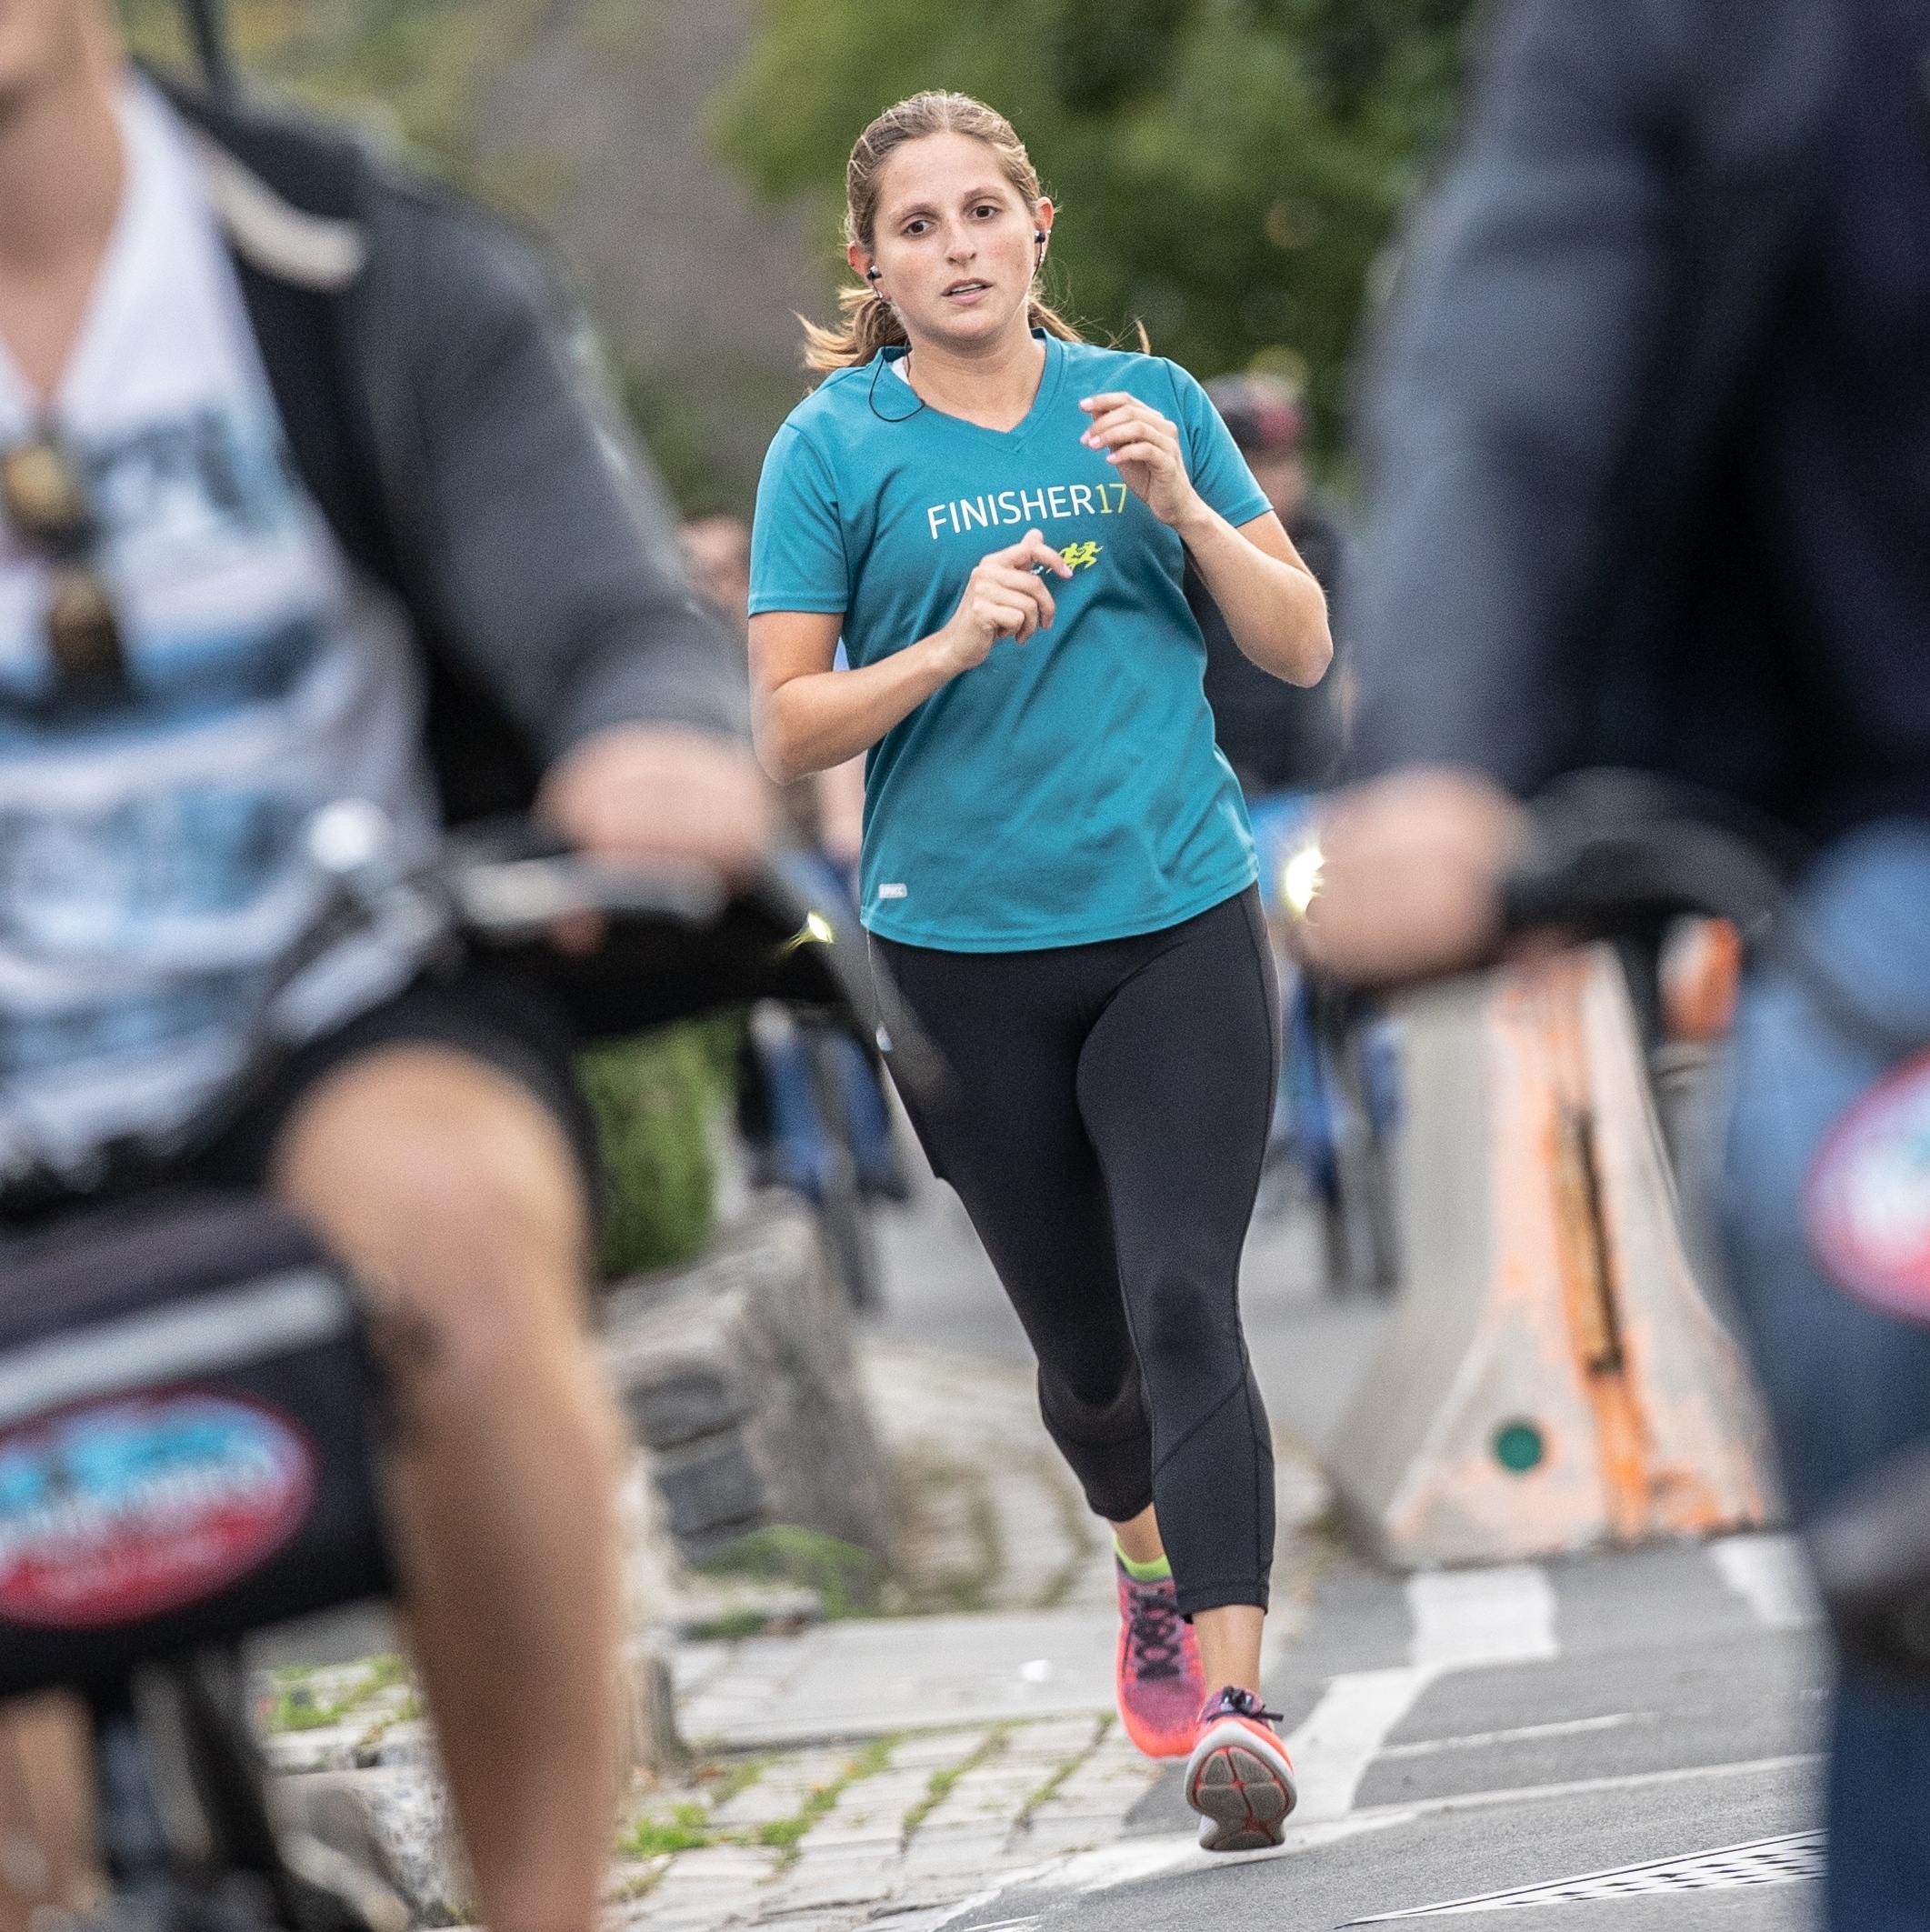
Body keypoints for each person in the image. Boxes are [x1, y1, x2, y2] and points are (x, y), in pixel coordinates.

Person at [0, 4, 770, 1928]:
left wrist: (647, 738)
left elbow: (603, 605)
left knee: (448, 1231)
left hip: (329, 1015)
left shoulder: (346, 258)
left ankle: (540, 1908)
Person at [1291, 0, 1930, 1923]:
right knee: (1864, 1235)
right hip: (1888, 841)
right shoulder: (1682, 35)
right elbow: (1507, 386)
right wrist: (1439, 765)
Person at [745, 90, 1332, 1849]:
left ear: (1037, 224)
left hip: (1173, 921)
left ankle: (1239, 1703)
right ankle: (1141, 1565)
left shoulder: (1145, 410)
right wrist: (937, 645)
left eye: (981, 211)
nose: (956, 248)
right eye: (915, 227)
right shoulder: (831, 451)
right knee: (1088, 1370)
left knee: (1182, 1305)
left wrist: (1187, 510)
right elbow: (783, 731)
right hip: (955, 957)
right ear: (872, 263)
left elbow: (1299, 646)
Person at [1196, 372, 1350, 799]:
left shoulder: (1331, 545)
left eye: (1282, 459)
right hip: (1209, 791)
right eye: (1247, 462)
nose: (1269, 478)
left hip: (1312, 790)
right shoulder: (1177, 548)